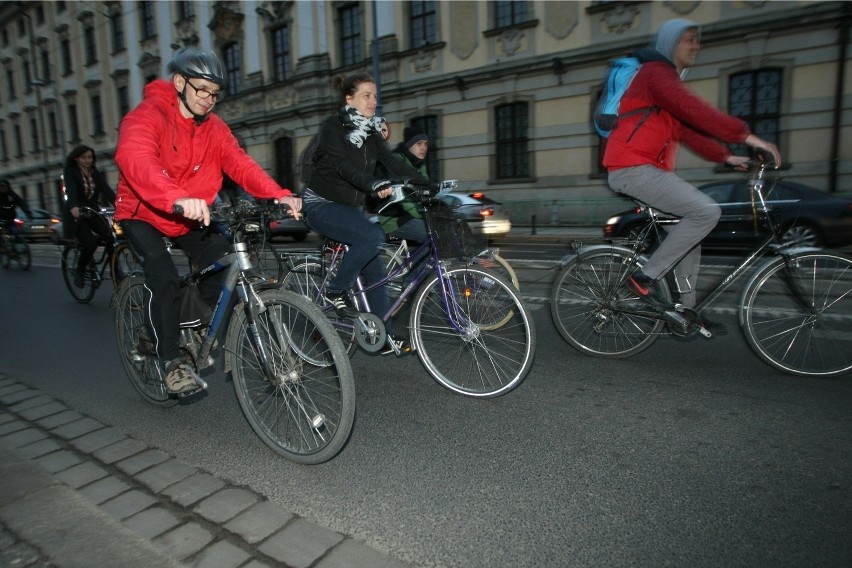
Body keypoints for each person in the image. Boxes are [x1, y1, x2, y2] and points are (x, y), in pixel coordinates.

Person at [114, 47, 301, 394]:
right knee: (163, 275)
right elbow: (135, 157)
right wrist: (174, 197)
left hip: (192, 214)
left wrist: (278, 194)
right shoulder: (148, 115)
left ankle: (198, 324)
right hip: (145, 212)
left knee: (224, 260)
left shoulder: (214, 128)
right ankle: (170, 360)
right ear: (180, 82)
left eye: (215, 93)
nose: (209, 99)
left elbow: (240, 164)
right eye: (202, 89)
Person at [603, 18, 781, 314]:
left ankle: (686, 310)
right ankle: (644, 276)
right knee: (706, 211)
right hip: (632, 168)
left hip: (647, 169)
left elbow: (687, 130)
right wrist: (749, 138)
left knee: (689, 231)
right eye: (689, 39)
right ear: (672, 43)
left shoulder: (665, 81)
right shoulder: (655, 74)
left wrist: (726, 156)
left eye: (698, 40)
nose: (696, 45)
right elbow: (695, 111)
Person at [302, 73, 428, 350]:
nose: (374, 101)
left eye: (375, 95)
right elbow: (342, 165)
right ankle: (337, 289)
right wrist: (373, 183)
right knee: (372, 237)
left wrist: (428, 185)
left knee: (377, 274)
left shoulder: (370, 132)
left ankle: (382, 335)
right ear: (350, 99)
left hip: (348, 208)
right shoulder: (332, 127)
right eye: (366, 96)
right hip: (320, 205)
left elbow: (392, 162)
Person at [62, 145, 117, 288]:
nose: (87, 160)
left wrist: (121, 205)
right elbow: (71, 191)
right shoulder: (71, 172)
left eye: (90, 157)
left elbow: (107, 190)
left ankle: (114, 270)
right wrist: (73, 206)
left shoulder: (95, 172)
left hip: (92, 212)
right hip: (77, 215)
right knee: (90, 244)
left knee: (111, 235)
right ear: (76, 159)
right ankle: (80, 271)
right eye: (84, 157)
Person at [375, 127, 430, 243]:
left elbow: (426, 191)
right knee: (432, 236)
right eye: (419, 144)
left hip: (411, 215)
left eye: (425, 144)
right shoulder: (397, 161)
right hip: (394, 218)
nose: (423, 148)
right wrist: (423, 215)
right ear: (409, 145)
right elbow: (405, 197)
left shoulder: (420, 166)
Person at [0, 179, 31, 244]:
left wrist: (28, 213)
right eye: (1, 187)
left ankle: (18, 247)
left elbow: (21, 202)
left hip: (11, 217)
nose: (2, 188)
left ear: (8, 187)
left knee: (15, 232)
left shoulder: (12, 195)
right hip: (1, 218)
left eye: (4, 186)